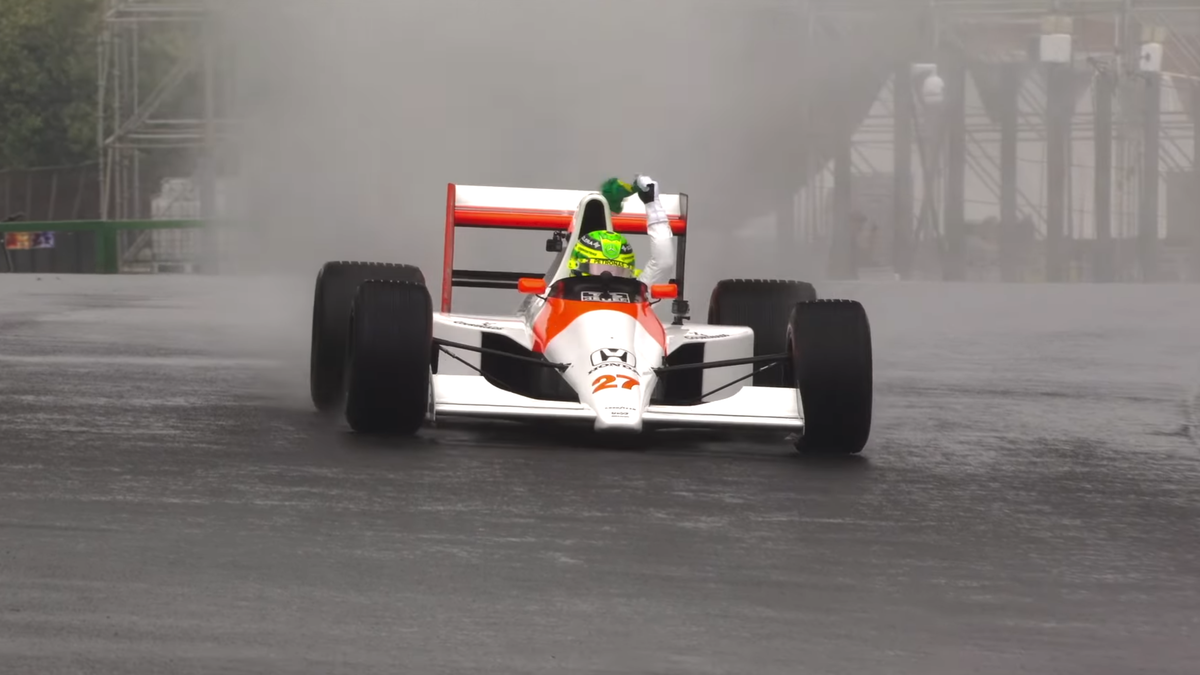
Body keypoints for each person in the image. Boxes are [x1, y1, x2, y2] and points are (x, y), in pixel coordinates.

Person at [566, 174, 675, 287]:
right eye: (597, 269)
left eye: (617, 271)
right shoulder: (553, 294)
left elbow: (664, 263)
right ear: (576, 266)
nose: (606, 278)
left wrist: (653, 206)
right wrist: (653, 205)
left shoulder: (636, 295)